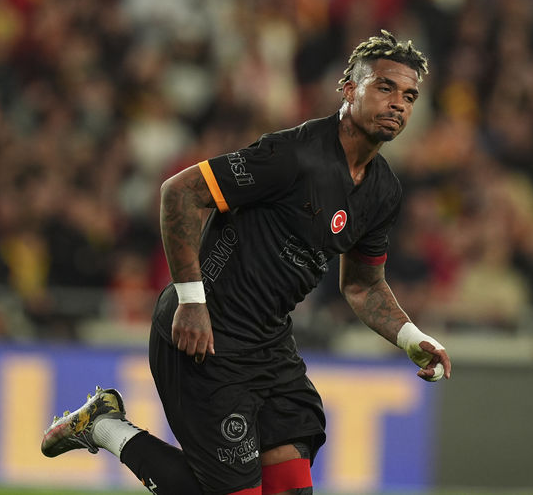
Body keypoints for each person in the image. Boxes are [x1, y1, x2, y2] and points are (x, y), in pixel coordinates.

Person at [40, 30, 452, 495]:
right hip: (204, 334)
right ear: (349, 88)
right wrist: (192, 301)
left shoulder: (383, 191)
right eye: (385, 87)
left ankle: (102, 423)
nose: (398, 103)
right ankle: (103, 426)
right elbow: (181, 192)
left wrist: (411, 338)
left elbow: (362, 285)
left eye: (409, 96)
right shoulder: (293, 154)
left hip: (268, 344)